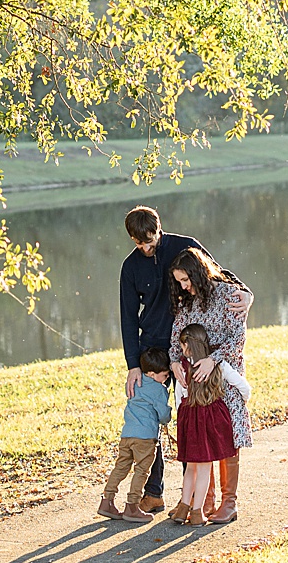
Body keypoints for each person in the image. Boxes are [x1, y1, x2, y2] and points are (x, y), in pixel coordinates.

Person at [117, 205, 206, 515]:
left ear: (159, 229)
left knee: (189, 418)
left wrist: (240, 291)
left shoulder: (185, 246)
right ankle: (153, 493)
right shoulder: (130, 268)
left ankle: (192, 495)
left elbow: (214, 276)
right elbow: (128, 318)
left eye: (149, 240)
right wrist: (133, 365)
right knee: (145, 421)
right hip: (152, 351)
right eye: (138, 242)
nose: (145, 247)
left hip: (189, 345)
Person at [168, 245, 255, 524]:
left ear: (198, 274)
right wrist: (173, 363)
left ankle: (229, 502)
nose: (183, 286)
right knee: (201, 437)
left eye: (186, 279)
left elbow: (237, 338)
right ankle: (204, 499)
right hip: (196, 379)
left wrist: (213, 360)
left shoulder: (229, 295)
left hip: (223, 374)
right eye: (179, 281)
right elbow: (175, 338)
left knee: (226, 434)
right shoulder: (187, 302)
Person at [169, 323, 252, 525]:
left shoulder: (182, 367)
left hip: (190, 419)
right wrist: (244, 399)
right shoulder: (218, 365)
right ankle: (197, 513)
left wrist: (185, 414)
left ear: (188, 346)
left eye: (182, 346)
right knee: (205, 468)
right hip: (209, 420)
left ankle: (183, 508)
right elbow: (242, 385)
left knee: (191, 468)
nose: (181, 351)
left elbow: (179, 397)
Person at [98, 347, 173, 520]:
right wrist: (167, 414)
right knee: (141, 470)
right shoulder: (158, 389)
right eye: (165, 375)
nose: (167, 378)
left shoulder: (134, 383)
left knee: (121, 467)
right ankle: (132, 506)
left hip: (127, 435)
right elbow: (163, 415)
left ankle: (107, 501)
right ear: (153, 374)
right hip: (145, 438)